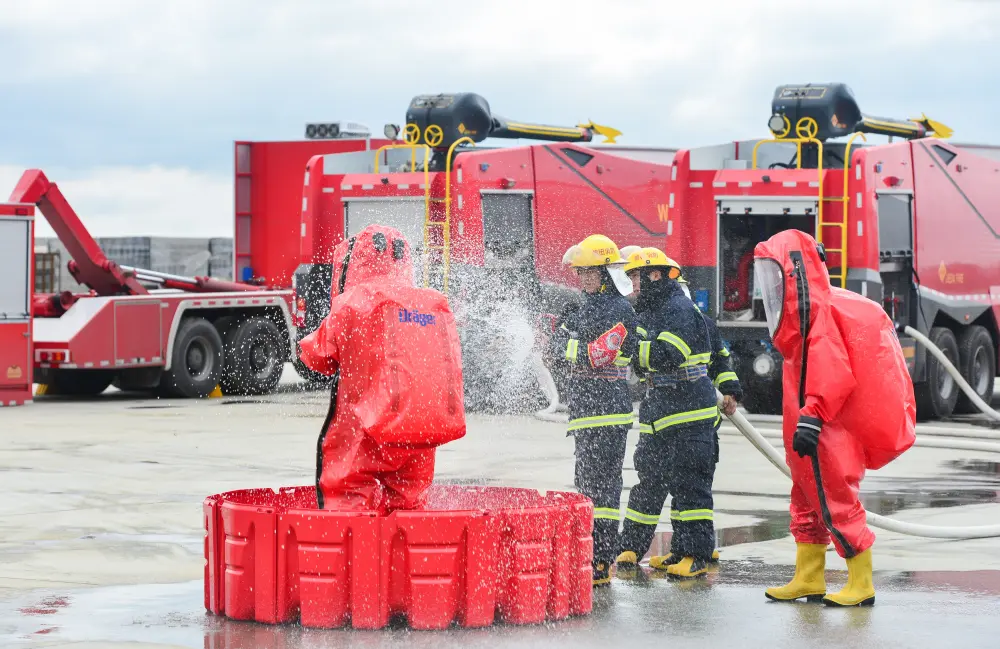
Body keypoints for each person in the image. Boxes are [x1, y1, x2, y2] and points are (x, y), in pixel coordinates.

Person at [754, 230, 916, 607]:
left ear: (793, 274)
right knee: (807, 500)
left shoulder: (819, 317)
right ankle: (808, 577)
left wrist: (812, 416)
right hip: (807, 425)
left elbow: (833, 373)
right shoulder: (803, 321)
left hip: (824, 430)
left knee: (834, 502)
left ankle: (861, 582)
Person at [297, 224, 467, 514]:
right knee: (408, 506)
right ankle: (406, 556)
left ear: (352, 262)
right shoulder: (432, 304)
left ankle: (353, 556)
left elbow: (316, 357)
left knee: (346, 496)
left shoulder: (351, 304)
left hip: (363, 432)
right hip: (419, 435)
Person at [614, 247, 719, 579]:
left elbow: (669, 353)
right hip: (661, 411)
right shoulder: (654, 311)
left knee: (690, 486)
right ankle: (648, 546)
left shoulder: (678, 309)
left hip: (688, 412)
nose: (632, 287)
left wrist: (628, 347)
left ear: (654, 275)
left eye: (635, 278)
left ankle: (696, 555)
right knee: (655, 481)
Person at [550, 234, 638, 587]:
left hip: (609, 411)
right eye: (580, 273)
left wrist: (566, 344)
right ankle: (589, 554)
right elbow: (562, 346)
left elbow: (597, 355)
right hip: (586, 411)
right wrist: (566, 339)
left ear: (605, 272)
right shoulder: (584, 308)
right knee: (586, 486)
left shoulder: (620, 310)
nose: (583, 278)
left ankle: (601, 559)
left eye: (589, 272)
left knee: (603, 490)